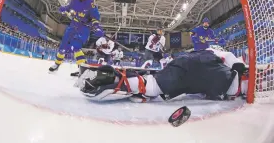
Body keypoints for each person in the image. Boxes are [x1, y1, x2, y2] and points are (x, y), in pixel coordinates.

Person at [77, 49, 248, 103]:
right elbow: (228, 57)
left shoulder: (202, 53)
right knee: (155, 85)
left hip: (186, 65)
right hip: (222, 81)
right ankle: (123, 84)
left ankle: (113, 81)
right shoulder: (215, 55)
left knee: (153, 85)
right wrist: (236, 65)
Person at [49, 0, 104, 72]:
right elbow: (68, 8)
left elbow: (95, 17)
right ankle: (57, 64)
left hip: (83, 28)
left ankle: (82, 69)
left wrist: (96, 26)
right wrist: (63, 9)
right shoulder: (74, 1)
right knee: (63, 48)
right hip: (72, 26)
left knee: (75, 47)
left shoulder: (90, 4)